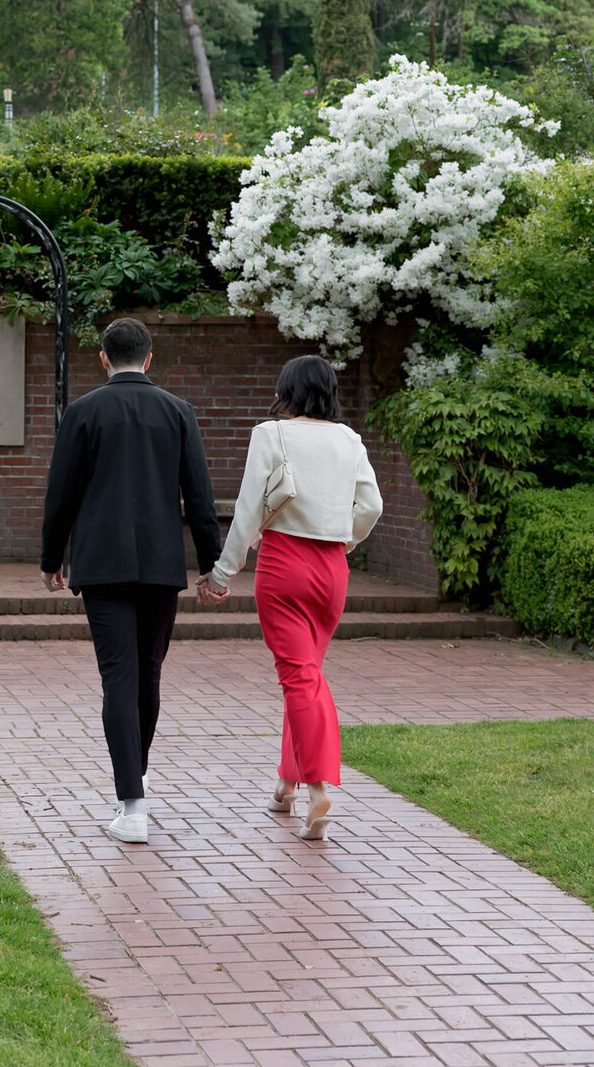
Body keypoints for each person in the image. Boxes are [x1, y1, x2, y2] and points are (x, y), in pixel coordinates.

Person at [40, 315, 223, 845]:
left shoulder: (82, 412)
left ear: (103, 358)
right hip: (162, 567)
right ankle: (135, 784)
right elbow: (201, 498)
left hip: (101, 565)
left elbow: (61, 495)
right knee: (148, 676)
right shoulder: (178, 412)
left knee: (119, 678)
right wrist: (212, 565)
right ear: (149, 357)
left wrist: (53, 556)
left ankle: (133, 802)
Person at [197, 354, 382, 841]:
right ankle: (287, 782)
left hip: (284, 565)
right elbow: (373, 505)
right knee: (306, 674)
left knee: (299, 678)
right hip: (332, 569)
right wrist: (346, 540)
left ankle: (319, 788)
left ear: (288, 390)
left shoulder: (271, 433)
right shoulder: (349, 439)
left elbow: (247, 509)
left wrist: (222, 572)